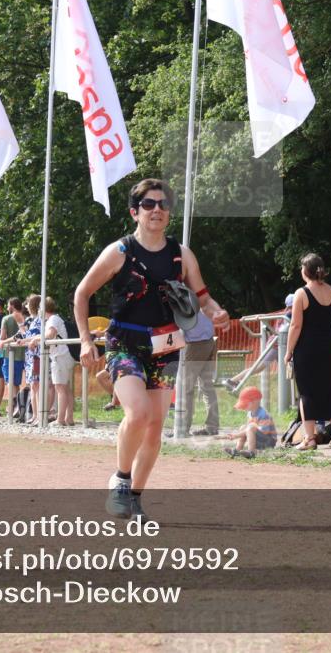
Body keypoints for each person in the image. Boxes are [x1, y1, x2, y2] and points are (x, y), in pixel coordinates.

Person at [75, 178, 229, 520]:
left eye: (162, 204)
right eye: (148, 204)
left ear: (169, 212)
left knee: (156, 424)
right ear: (135, 212)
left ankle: (135, 497)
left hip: (166, 346)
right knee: (139, 413)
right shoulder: (120, 251)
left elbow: (203, 297)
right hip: (124, 343)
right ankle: (120, 479)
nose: (156, 209)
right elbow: (82, 293)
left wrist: (216, 312)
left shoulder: (181, 254)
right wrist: (87, 340)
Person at [285, 254, 331, 450]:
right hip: (329, 346)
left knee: (307, 393)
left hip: (307, 348)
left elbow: (295, 325)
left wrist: (288, 351)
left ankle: (309, 439)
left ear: (306, 271)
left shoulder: (301, 293)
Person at [221, 293, 293, 392]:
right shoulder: (289, 314)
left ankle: (290, 396)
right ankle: (232, 380)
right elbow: (283, 331)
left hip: (278, 346)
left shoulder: (285, 314)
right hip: (275, 347)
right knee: (258, 367)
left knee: (287, 370)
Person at [32, 296, 75, 427]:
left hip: (60, 356)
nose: (38, 311)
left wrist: (36, 340)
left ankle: (60, 420)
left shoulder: (52, 319)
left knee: (60, 388)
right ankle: (69, 418)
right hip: (63, 355)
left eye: (39, 308)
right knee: (65, 389)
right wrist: (30, 340)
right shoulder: (54, 319)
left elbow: (49, 335)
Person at [184, 311, 220, 436]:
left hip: (195, 343)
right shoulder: (201, 298)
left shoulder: (184, 298)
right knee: (207, 387)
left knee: (186, 388)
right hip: (209, 341)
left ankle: (182, 428)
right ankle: (212, 426)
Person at [222, 386, 277, 458]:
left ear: (254, 402)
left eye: (245, 404)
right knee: (244, 427)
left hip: (268, 441)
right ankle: (237, 450)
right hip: (259, 438)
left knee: (250, 427)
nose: (243, 407)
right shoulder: (250, 413)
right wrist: (240, 433)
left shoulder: (264, 414)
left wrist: (237, 435)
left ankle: (251, 452)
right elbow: (247, 430)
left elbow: (264, 431)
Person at [0, 297, 27, 420]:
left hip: (9, 354)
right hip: (22, 354)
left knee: (10, 381)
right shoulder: (25, 318)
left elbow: (2, 337)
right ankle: (18, 406)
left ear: (12, 306)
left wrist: (1, 342)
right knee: (17, 382)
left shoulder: (7, 318)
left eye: (9, 305)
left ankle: (13, 405)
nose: (7, 307)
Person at [22, 294, 43, 423]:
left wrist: (24, 340)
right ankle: (35, 415)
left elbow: (37, 336)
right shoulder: (33, 320)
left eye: (28, 304)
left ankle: (39, 415)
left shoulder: (39, 320)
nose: (26, 306)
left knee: (36, 385)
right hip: (31, 357)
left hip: (36, 356)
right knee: (33, 386)